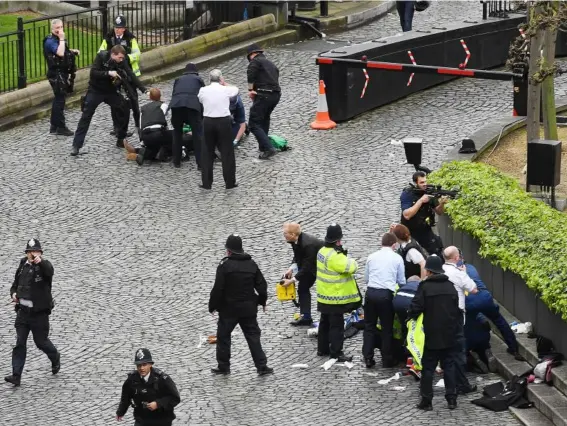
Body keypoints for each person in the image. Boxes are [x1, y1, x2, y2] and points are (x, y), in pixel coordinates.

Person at [208, 234, 273, 376]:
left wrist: (212, 306)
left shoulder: (225, 266)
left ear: (229, 251)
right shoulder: (251, 264)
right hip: (248, 309)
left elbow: (218, 288)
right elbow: (262, 285)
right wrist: (262, 301)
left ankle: (224, 367)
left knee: (224, 337)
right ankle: (262, 366)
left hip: (228, 310)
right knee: (253, 337)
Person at [5, 239, 60, 387]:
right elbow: (14, 286)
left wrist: (40, 262)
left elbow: (49, 272)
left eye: (35, 251)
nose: (32, 254)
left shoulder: (44, 266)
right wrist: (14, 294)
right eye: (30, 251)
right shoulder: (23, 265)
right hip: (23, 312)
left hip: (39, 314)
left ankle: (55, 357)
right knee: (20, 343)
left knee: (41, 342)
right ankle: (16, 375)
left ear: (40, 253)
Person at [408, 255, 461, 411]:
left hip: (431, 334)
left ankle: (427, 400)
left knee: (428, 368)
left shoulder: (425, 287)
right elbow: (456, 310)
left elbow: (415, 308)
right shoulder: (451, 286)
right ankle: (452, 399)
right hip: (449, 334)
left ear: (429, 271)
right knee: (449, 366)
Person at [71, 45, 142, 156]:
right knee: (86, 115)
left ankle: (121, 138)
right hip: (96, 90)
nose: (121, 60)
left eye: (122, 58)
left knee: (125, 108)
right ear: (113, 54)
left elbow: (130, 74)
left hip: (110, 91)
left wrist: (143, 89)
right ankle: (76, 145)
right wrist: (108, 73)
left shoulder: (120, 61)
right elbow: (93, 73)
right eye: (119, 58)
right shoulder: (101, 56)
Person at [460, 250, 524, 365]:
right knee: (499, 320)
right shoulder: (471, 267)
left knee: (467, 326)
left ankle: (471, 351)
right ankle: (513, 348)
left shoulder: (453, 272)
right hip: (485, 297)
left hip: (469, 301)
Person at [316, 223, 361, 362]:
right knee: (336, 326)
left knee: (324, 323)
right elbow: (352, 267)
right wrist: (347, 257)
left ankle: (322, 349)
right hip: (335, 297)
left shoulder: (322, 251)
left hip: (324, 295)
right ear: (338, 240)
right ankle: (336, 352)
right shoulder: (335, 257)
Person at [362, 232, 406, 368]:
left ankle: (368, 357)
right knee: (387, 328)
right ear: (394, 245)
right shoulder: (397, 258)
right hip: (386, 295)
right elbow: (401, 280)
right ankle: (387, 359)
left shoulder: (371, 257)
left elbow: (366, 278)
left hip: (370, 293)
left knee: (369, 326)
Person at [442, 246, 479, 395]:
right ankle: (462, 384)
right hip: (456, 317)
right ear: (456, 258)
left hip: (441, 315)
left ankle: (450, 381)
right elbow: (474, 289)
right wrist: (464, 273)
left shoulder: (440, 270)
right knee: (458, 352)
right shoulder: (458, 273)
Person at [99, 14, 141, 137]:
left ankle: (138, 124)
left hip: (128, 75)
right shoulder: (108, 38)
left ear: (124, 28)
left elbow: (137, 54)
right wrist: (110, 59)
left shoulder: (130, 38)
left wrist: (126, 58)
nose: (117, 30)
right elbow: (101, 51)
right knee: (115, 101)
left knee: (133, 100)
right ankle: (117, 127)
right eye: (116, 27)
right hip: (114, 75)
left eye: (120, 27)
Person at [116, 348, 180, 425]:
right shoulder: (131, 380)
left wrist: (158, 404)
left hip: (162, 420)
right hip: (142, 419)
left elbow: (174, 398)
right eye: (139, 365)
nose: (141, 368)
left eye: (144, 365)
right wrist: (120, 412)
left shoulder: (162, 379)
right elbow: (125, 398)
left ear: (150, 364)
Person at [198, 69, 239, 190]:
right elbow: (236, 90)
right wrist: (224, 83)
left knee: (207, 152)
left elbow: (200, 99)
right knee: (227, 152)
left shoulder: (203, 90)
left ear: (209, 79)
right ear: (220, 78)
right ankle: (230, 182)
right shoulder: (226, 89)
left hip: (208, 121)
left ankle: (206, 183)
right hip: (223, 121)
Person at [280, 222, 324, 326]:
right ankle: (306, 317)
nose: (283, 235)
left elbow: (307, 267)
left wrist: (292, 280)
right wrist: (291, 268)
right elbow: (298, 255)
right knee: (303, 288)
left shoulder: (308, 244)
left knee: (304, 288)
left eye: (285, 233)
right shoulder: (295, 240)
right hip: (311, 264)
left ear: (292, 235)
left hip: (320, 266)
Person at [44, 19, 79, 136]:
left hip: (61, 73)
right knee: (60, 99)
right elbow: (60, 53)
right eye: (57, 28)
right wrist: (62, 38)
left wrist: (72, 51)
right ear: (52, 29)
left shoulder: (57, 39)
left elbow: (64, 51)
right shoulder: (50, 41)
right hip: (56, 74)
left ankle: (54, 126)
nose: (59, 30)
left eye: (61, 27)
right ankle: (60, 127)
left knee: (59, 98)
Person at [400, 171, 449, 256]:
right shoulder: (408, 194)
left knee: (437, 248)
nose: (425, 184)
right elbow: (407, 215)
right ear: (416, 183)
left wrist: (442, 203)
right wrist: (421, 201)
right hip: (409, 229)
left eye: (426, 181)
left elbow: (439, 212)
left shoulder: (429, 192)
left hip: (423, 227)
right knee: (409, 252)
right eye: (422, 182)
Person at [246, 43, 280, 160]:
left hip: (264, 94)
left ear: (252, 54)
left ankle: (269, 148)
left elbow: (251, 73)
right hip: (275, 95)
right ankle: (264, 146)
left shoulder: (255, 61)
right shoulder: (270, 63)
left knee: (254, 123)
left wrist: (251, 90)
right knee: (265, 118)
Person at [169, 62, 205, 169]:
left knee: (177, 133)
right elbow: (203, 97)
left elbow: (174, 94)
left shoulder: (178, 80)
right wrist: (202, 115)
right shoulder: (198, 80)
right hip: (192, 107)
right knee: (197, 135)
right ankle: (200, 164)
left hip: (176, 106)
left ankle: (176, 161)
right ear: (196, 72)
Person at [136, 88, 173, 165]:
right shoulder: (163, 105)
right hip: (158, 133)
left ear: (150, 98)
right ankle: (164, 153)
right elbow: (165, 119)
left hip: (146, 136)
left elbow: (140, 125)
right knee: (173, 135)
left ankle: (147, 153)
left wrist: (142, 141)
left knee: (152, 146)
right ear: (160, 96)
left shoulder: (143, 108)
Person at [392, 275, 421, 340]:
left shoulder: (403, 286)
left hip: (397, 303)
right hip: (410, 303)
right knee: (412, 323)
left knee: (403, 323)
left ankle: (403, 339)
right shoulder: (420, 285)